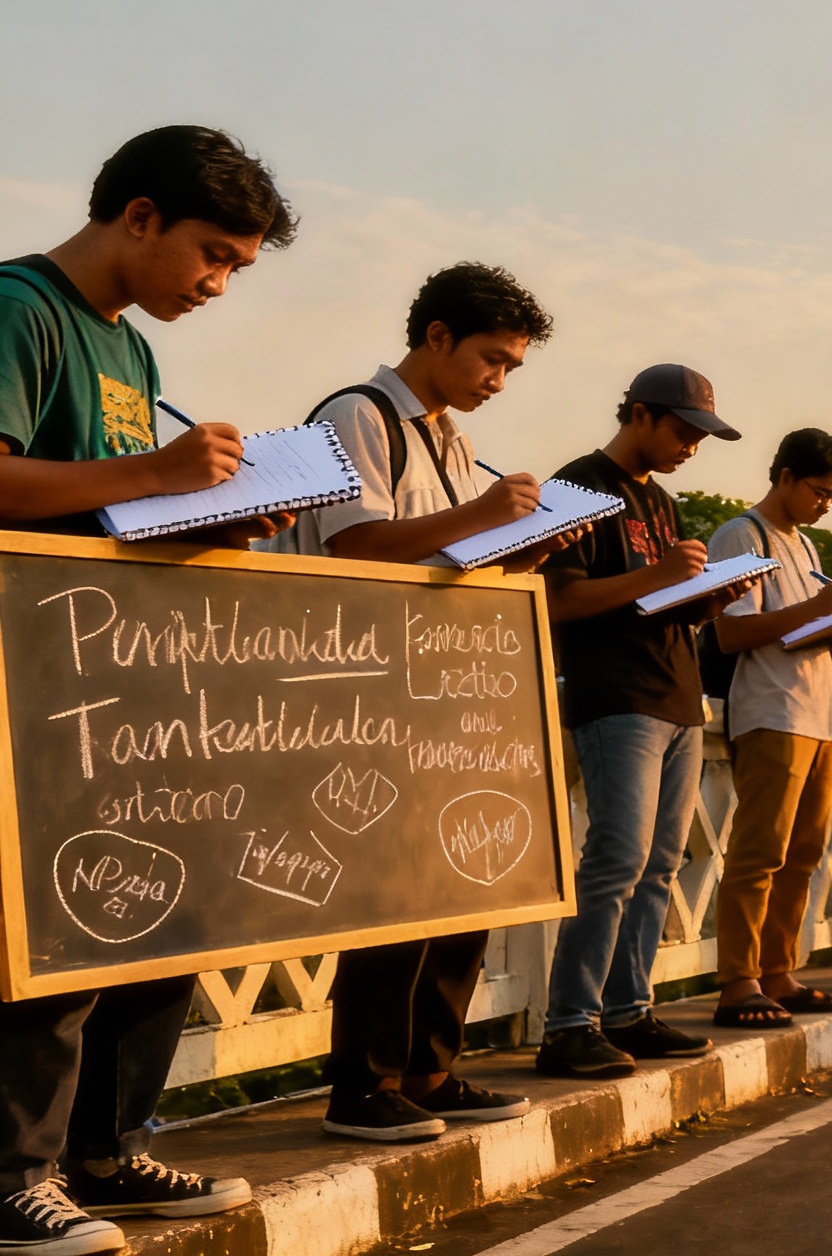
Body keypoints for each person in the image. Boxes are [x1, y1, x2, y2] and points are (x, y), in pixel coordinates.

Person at [0, 124, 291, 1252]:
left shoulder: (132, 351)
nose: (217, 285)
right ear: (137, 217)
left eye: (237, 268)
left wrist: (208, 513)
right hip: (34, 675)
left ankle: (104, 1148)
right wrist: (158, 474)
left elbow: (107, 511)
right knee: (54, 928)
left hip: (124, 675)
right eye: (212, 255)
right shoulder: (23, 309)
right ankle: (12, 1174)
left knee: (160, 902)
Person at [284, 263, 560, 1142]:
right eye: (491, 358)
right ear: (435, 336)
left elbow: (447, 558)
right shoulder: (357, 417)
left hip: (447, 688)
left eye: (512, 367)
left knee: (462, 877)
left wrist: (523, 547)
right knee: (392, 888)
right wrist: (482, 512)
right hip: (368, 691)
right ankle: (362, 1087)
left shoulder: (448, 438)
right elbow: (360, 543)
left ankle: (429, 1068)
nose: (498, 379)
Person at [534, 364, 751, 1078]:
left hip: (677, 694)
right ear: (638, 414)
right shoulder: (578, 487)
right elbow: (558, 599)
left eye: (701, 437)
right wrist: (659, 578)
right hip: (616, 694)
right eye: (683, 431)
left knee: (660, 865)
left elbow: (658, 604)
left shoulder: (661, 502)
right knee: (618, 859)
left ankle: (629, 1010)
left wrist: (713, 596)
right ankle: (569, 1024)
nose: (692, 446)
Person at [705, 428, 832, 1028]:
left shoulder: (804, 546)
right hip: (769, 712)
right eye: (819, 491)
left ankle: (778, 970)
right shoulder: (742, 534)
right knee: (761, 851)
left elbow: (795, 636)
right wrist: (815, 613)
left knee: (805, 851)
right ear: (783, 476)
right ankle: (739, 980)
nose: (826, 503)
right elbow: (731, 632)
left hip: (817, 711)